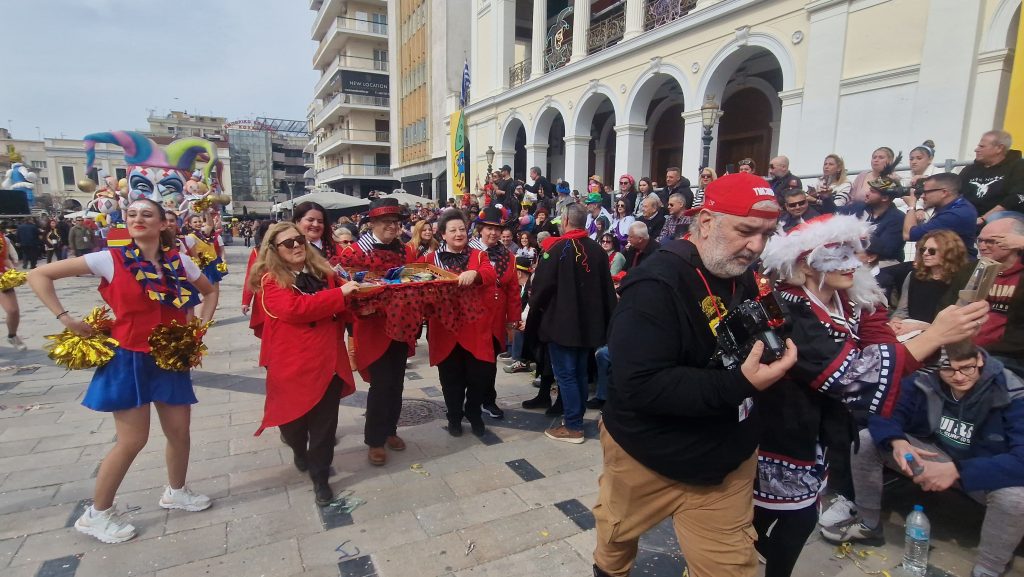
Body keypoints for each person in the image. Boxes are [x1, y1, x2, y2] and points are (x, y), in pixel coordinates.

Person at [757, 213, 987, 577]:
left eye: (854, 252)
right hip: (782, 431)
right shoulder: (788, 307)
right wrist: (933, 335)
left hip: (823, 431)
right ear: (806, 260)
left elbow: (885, 357)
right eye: (838, 254)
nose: (853, 263)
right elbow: (852, 376)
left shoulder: (850, 300)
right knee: (775, 516)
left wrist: (891, 433)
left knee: (800, 520)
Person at [595, 172, 795, 577]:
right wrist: (740, 383)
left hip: (724, 464)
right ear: (706, 221)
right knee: (614, 543)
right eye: (746, 230)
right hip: (645, 457)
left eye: (767, 234)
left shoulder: (742, 273)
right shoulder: (653, 284)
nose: (756, 246)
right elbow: (639, 384)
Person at [27, 194, 219, 544]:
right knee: (133, 440)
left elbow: (209, 293)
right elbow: (38, 274)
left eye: (147, 214)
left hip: (169, 358)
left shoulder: (180, 263)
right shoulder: (108, 259)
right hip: (128, 358)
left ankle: (176, 491)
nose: (138, 218)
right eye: (131, 213)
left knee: (179, 431)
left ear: (163, 224)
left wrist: (198, 331)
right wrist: (65, 318)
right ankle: (96, 514)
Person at [821, 341, 1024, 577]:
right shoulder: (926, 380)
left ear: (980, 360)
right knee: (867, 440)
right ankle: (869, 524)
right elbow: (883, 410)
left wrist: (957, 470)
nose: (958, 377)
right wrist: (898, 442)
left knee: (1016, 497)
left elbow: (1020, 460)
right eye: (949, 369)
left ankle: (988, 568)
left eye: (967, 368)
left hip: (983, 468)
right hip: (936, 456)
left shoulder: (1010, 390)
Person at [249, 223, 359, 505]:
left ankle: (320, 479)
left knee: (324, 427)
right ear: (274, 250)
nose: (297, 245)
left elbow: (343, 307)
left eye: (299, 240)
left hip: (327, 359)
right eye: (288, 243)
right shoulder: (270, 279)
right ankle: (299, 449)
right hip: (292, 363)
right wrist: (339, 295)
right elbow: (293, 310)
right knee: (291, 424)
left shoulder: (324, 272)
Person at [336, 197, 418, 466]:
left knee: (397, 382)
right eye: (386, 222)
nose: (392, 227)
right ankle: (374, 440)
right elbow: (346, 289)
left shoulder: (406, 251)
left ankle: (391, 430)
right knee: (381, 384)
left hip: (402, 324)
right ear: (372, 223)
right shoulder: (354, 252)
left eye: (395, 222)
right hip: (373, 328)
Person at [528, 203, 616, 444]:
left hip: (562, 326)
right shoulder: (597, 250)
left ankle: (574, 425)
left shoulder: (556, 250)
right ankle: (574, 418)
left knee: (566, 374)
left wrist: (533, 309)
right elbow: (607, 290)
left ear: (565, 220)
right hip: (589, 326)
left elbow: (541, 289)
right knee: (577, 372)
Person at [421, 210, 497, 436]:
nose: (458, 233)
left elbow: (490, 275)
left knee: (479, 376)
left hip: (474, 328)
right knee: (450, 379)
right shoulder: (428, 259)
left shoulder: (479, 255)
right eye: (452, 230)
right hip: (444, 329)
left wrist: (475, 273)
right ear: (442, 234)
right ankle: (454, 416)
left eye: (462, 229)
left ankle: (473, 413)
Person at [940, 214, 1024, 375]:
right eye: (980, 240)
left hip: (1008, 356)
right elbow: (947, 307)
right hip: (960, 348)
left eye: (991, 241)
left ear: (1014, 243)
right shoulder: (969, 270)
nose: (983, 246)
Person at [471, 206, 521, 420]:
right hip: (472, 316)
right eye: (488, 228)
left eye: (497, 229)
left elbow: (513, 290)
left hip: (496, 318)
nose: (493, 233)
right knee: (471, 362)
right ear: (480, 229)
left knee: (490, 362)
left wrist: (513, 320)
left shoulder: (508, 256)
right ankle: (468, 400)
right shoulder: (468, 252)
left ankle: (488, 400)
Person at [890, 230, 969, 330]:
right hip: (910, 331)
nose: (925, 254)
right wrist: (896, 321)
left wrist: (922, 327)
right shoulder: (913, 276)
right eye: (923, 250)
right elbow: (902, 310)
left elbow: (958, 323)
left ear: (948, 253)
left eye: (932, 251)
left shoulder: (961, 281)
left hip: (942, 336)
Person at [903, 172, 979, 259]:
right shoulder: (960, 205)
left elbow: (908, 234)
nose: (923, 196)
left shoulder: (953, 216)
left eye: (926, 192)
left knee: (886, 272)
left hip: (957, 267)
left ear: (944, 192)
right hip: (944, 262)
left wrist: (911, 205)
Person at [959, 130, 1024, 226]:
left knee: (994, 219)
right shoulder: (969, 170)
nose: (976, 149)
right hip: (971, 215)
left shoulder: (1018, 166)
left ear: (999, 148)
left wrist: (984, 218)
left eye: (982, 146)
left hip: (1007, 215)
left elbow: (1017, 197)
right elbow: (955, 193)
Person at [861, 166, 907, 268]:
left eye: (872, 191)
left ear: (885, 198)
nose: (867, 194)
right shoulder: (861, 208)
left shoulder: (898, 218)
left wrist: (859, 237)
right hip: (860, 257)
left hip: (885, 263)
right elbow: (836, 212)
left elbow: (886, 249)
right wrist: (826, 199)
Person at [0, 234, 26, 351]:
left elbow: (5, 258)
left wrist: (12, 270)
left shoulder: (3, 238)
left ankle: (12, 335)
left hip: (2, 278)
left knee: (13, 310)